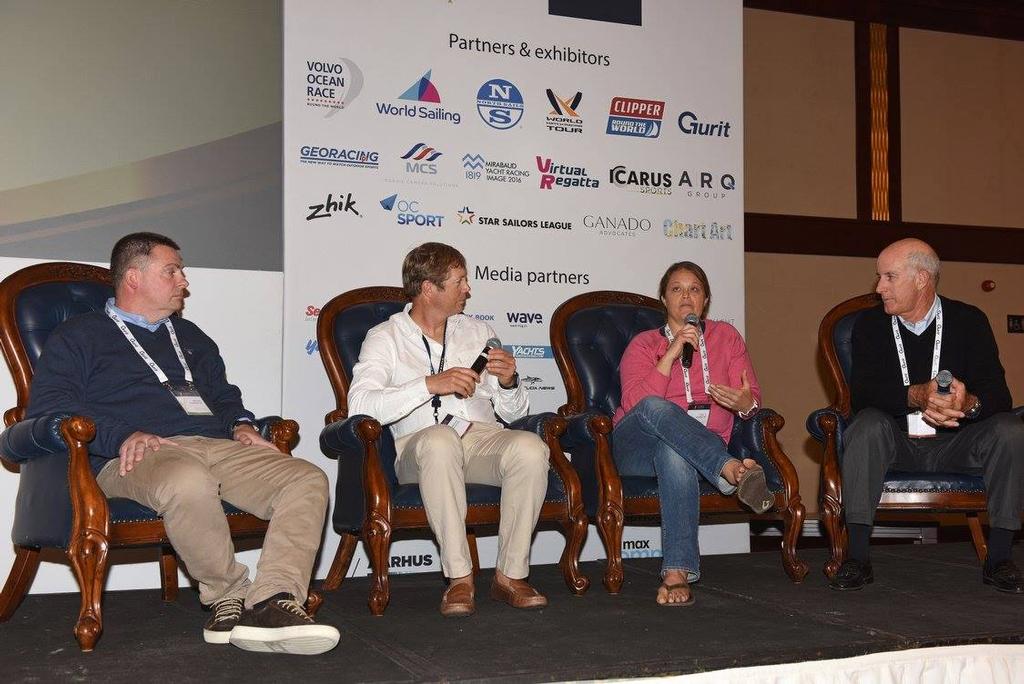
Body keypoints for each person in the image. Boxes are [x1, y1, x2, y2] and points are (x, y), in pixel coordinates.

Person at [26, 232, 340, 654]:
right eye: (172, 270)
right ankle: (228, 596)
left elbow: (224, 396)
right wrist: (122, 433)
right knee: (187, 479)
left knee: (306, 477)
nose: (183, 281)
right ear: (133, 277)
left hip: (214, 445)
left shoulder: (191, 335)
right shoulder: (78, 336)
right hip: (134, 455)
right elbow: (49, 408)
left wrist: (242, 426)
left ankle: (272, 601)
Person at [348, 242, 550, 618]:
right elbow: (359, 406)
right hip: (417, 445)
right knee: (440, 441)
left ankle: (511, 575)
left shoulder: (478, 331)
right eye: (459, 282)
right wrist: (428, 384)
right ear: (429, 288)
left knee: (530, 447)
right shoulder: (385, 337)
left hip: (479, 437)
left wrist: (509, 382)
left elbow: (515, 411)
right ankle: (460, 578)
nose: (468, 289)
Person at [833, 238, 1023, 593]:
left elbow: (1000, 396)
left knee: (1011, 430)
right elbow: (862, 394)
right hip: (897, 442)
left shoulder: (969, 321)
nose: (879, 287)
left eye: (889, 277)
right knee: (866, 424)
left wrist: (968, 404)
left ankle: (999, 558)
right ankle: (856, 558)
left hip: (958, 444)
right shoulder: (870, 325)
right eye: (879, 277)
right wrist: (915, 395)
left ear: (921, 278)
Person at [613, 261, 774, 606]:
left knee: (676, 451)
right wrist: (671, 353)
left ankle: (676, 572)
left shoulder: (726, 338)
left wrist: (746, 404)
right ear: (663, 298)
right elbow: (635, 402)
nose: (686, 296)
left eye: (694, 289)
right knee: (657, 407)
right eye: (676, 289)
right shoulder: (642, 344)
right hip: (635, 444)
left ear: (706, 300)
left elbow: (751, 398)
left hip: (696, 446)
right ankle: (730, 470)